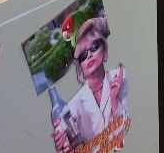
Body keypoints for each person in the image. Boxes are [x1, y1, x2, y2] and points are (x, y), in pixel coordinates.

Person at [53, 17, 129, 151]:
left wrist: (114, 101)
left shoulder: (121, 77)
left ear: (104, 49)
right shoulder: (72, 108)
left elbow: (127, 134)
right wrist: (69, 148)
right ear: (80, 67)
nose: (88, 56)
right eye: (82, 55)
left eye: (94, 47)